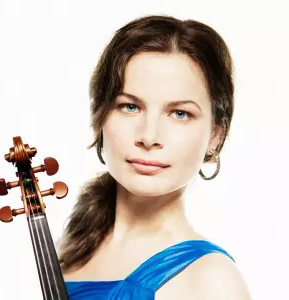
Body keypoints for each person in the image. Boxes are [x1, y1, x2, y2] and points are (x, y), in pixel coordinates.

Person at [59, 15, 252, 299]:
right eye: (130, 107)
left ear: (215, 136)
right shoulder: (64, 251)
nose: (149, 137)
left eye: (180, 114)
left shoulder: (212, 282)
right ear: (99, 117)